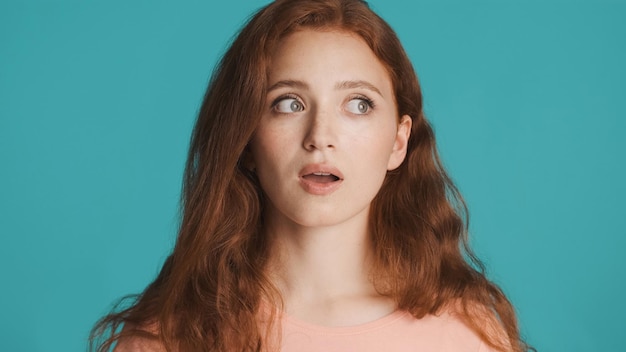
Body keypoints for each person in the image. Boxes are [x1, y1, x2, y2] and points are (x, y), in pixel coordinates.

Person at [91, 0, 532, 351]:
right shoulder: (168, 338)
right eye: (288, 103)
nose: (321, 137)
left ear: (398, 143)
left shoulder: (465, 336)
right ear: (245, 140)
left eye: (358, 104)